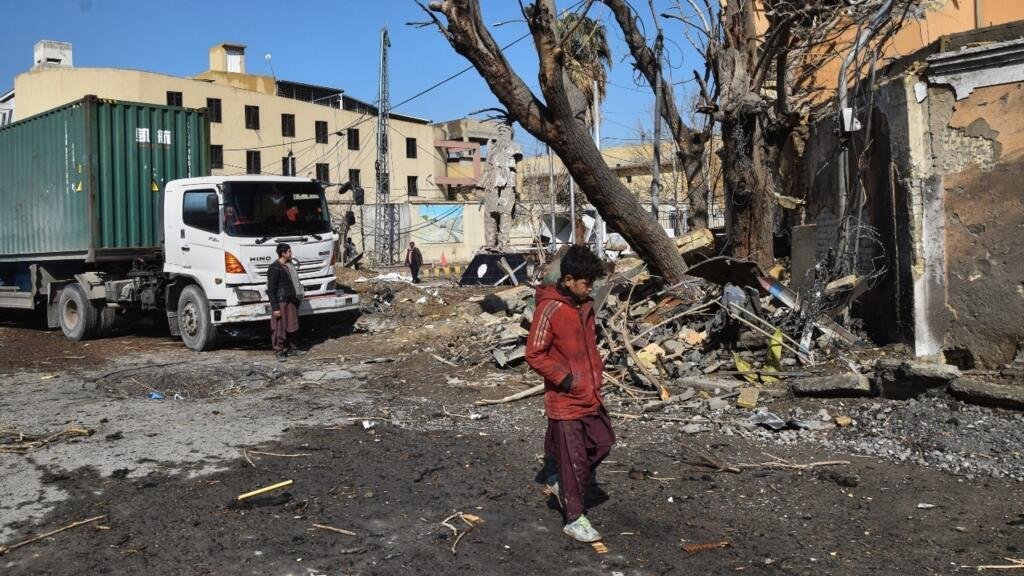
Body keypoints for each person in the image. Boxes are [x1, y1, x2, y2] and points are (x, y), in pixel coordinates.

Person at [525, 245, 613, 543]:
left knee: (603, 441)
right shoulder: (548, 308)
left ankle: (563, 478)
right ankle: (574, 519)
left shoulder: (585, 305)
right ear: (568, 280)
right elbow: (534, 355)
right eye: (586, 283)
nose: (591, 288)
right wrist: (566, 381)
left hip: (590, 394)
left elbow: (587, 348)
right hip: (565, 399)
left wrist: (594, 376)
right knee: (574, 461)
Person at [267, 243, 306, 362]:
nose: (291, 254)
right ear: (283, 253)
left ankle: (293, 349)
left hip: (290, 301)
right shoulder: (274, 268)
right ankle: (279, 351)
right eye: (289, 252)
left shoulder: (289, 266)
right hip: (281, 302)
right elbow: (271, 290)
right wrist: (275, 308)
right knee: (280, 328)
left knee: (292, 325)